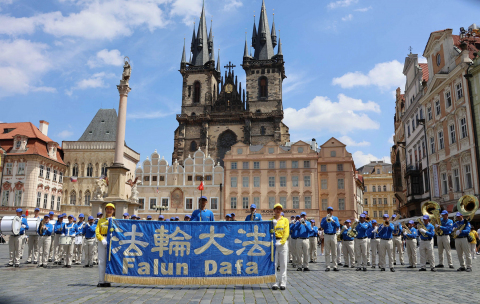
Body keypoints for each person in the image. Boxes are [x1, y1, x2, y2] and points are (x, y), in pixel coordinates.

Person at [96, 203, 116, 287]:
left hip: (111, 242)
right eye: (107, 209)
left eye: (111, 209)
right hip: (102, 241)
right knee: (101, 261)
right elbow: (97, 232)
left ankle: (108, 280)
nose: (109, 210)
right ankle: (101, 280)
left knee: (109, 261)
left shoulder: (115, 220)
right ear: (105, 210)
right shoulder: (101, 220)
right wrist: (102, 239)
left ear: (113, 211)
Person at [270, 203, 289, 291]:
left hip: (282, 242)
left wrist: (282, 242)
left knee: (283, 263)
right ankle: (274, 282)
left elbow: (286, 232)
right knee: (274, 264)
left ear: (281, 210)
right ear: (274, 210)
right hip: (273, 242)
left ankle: (283, 282)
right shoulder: (271, 220)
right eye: (276, 209)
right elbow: (269, 232)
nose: (278, 210)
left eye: (279, 209)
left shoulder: (285, 220)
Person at [320, 206, 340, 271]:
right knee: (327, 251)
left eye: (331, 210)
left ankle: (335, 266)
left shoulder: (335, 218)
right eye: (328, 210)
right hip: (326, 235)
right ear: (327, 211)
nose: (329, 212)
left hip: (333, 235)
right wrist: (326, 220)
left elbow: (338, 225)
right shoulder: (324, 218)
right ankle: (327, 266)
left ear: (332, 211)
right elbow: (322, 226)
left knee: (334, 251)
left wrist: (333, 220)